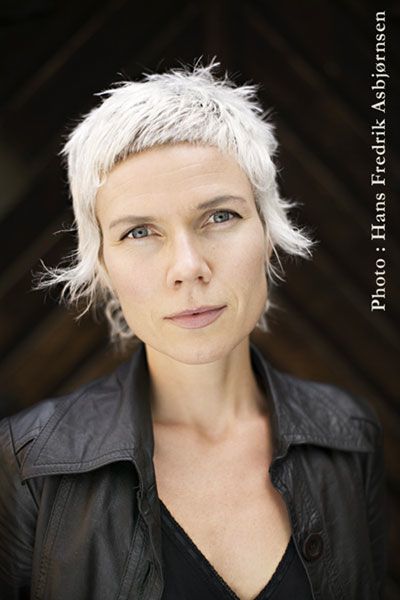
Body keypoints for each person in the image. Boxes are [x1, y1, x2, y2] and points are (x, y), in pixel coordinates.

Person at [0, 59, 387, 600]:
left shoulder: (349, 435)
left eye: (220, 216)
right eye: (139, 232)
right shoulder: (27, 462)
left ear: (269, 232)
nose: (187, 266)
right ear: (103, 265)